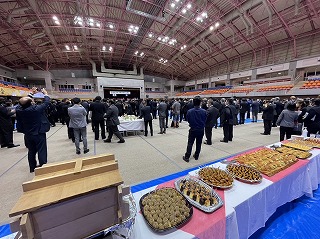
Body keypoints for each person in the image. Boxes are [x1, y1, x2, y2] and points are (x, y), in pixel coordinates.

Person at [16, 88, 50, 173]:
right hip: (39, 132)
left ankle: (32, 167)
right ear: (31, 102)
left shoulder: (19, 110)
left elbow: (21, 103)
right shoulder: (35, 109)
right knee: (41, 149)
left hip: (28, 133)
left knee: (31, 151)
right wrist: (45, 94)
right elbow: (46, 102)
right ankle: (43, 165)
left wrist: (31, 94)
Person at [183, 96, 207, 162]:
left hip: (193, 129)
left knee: (190, 143)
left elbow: (188, 120)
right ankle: (196, 156)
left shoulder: (190, 111)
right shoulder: (204, 111)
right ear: (200, 103)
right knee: (199, 143)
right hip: (201, 129)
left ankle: (187, 156)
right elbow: (205, 119)